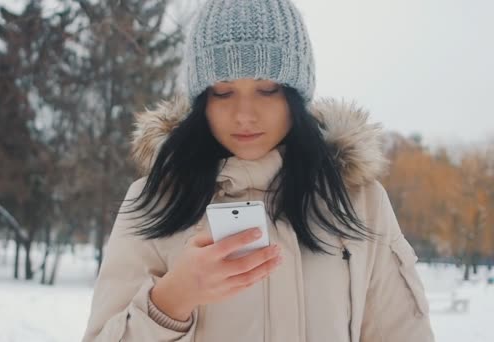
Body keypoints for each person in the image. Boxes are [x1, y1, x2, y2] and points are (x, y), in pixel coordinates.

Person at [81, 0, 435, 341]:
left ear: (296, 95)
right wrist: (171, 300)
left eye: (267, 89)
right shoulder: (153, 200)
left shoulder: (358, 200)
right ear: (202, 99)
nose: (245, 115)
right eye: (223, 92)